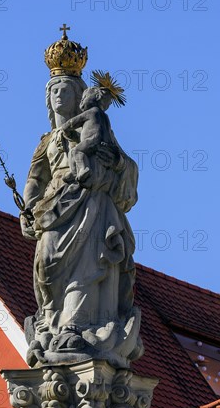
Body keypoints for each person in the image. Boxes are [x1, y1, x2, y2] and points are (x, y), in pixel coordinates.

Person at [20, 74, 141, 366]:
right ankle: (53, 321)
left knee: (88, 265)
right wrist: (27, 209)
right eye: (53, 90)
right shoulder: (47, 141)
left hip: (90, 204)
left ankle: (75, 326)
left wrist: (115, 161)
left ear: (79, 95)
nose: (58, 95)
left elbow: (127, 168)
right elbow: (35, 180)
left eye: (65, 89)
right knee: (47, 263)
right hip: (53, 208)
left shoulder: (95, 125)